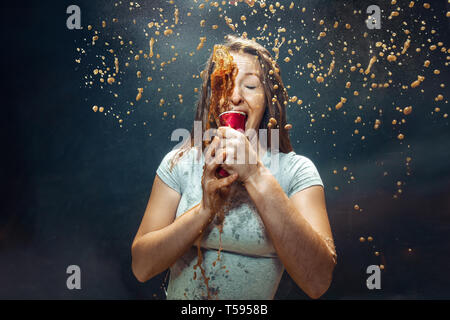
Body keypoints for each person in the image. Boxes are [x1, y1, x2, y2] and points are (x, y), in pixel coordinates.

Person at [131, 35, 337, 300]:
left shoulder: (296, 172)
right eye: (224, 84)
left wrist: (254, 173)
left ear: (268, 100)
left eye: (250, 85)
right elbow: (141, 267)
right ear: (212, 98)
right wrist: (205, 209)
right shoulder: (181, 162)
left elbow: (318, 281)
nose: (235, 96)